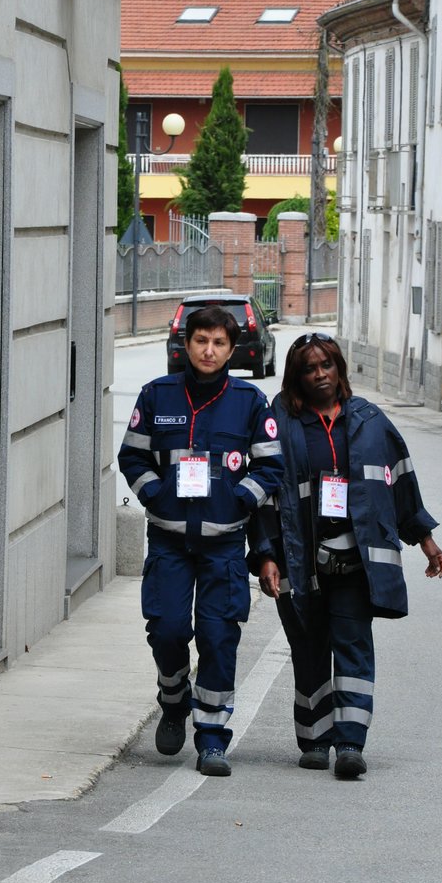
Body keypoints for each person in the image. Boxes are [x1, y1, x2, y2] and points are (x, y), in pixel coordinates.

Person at [249, 332, 442, 779]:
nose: (319, 375)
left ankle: (351, 743)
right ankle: (315, 740)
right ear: (296, 376)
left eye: (326, 366)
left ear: (339, 368)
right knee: (309, 646)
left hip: (356, 559)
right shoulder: (278, 421)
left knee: (353, 645)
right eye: (309, 369)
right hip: (299, 555)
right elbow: (263, 498)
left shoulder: (370, 420)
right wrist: (264, 555)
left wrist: (425, 540)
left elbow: (401, 485)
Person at [118, 306, 284, 776]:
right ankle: (174, 700)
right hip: (169, 542)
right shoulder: (156, 395)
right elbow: (133, 457)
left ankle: (212, 738)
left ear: (232, 350)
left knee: (218, 638)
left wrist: (238, 502)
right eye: (200, 341)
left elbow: (270, 467)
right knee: (168, 629)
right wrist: (157, 494)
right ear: (186, 344)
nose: (208, 350)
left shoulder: (250, 402)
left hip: (224, 545)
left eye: (218, 343)